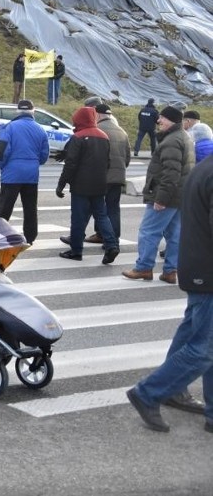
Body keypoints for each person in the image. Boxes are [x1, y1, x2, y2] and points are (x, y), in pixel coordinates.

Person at [126, 152, 213, 434]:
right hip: (208, 271)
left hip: (198, 266)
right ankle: (149, 392)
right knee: (205, 348)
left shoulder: (205, 166)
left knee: (195, 334)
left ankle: (192, 401)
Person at [122, 106, 194, 283]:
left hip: (167, 196)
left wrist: (161, 199)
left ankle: (144, 268)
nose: (158, 121)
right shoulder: (184, 137)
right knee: (175, 234)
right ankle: (170, 271)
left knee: (148, 231)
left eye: (161, 118)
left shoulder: (171, 141)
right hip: (180, 196)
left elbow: (171, 174)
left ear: (170, 120)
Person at [55, 106, 121, 263]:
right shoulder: (104, 137)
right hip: (99, 184)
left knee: (78, 218)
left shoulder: (78, 137)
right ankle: (112, 245)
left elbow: (70, 164)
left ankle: (76, 251)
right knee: (102, 215)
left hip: (80, 185)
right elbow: (108, 162)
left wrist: (61, 184)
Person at [0, 99, 50, 244]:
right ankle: (30, 237)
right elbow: (44, 155)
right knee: (30, 208)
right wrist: (34, 163)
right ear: (33, 110)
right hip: (31, 175)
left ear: (18, 111)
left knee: (5, 208)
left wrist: (1, 165)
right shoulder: (40, 129)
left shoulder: (9, 127)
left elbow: (2, 150)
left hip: (11, 174)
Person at [87, 104, 131, 242]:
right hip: (118, 177)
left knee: (97, 207)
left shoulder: (97, 130)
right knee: (113, 208)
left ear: (98, 115)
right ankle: (114, 237)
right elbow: (127, 158)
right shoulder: (122, 131)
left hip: (101, 176)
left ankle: (101, 235)